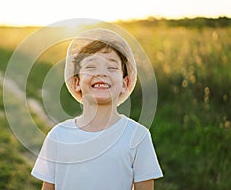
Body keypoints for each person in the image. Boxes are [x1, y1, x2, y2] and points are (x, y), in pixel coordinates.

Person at [31, 28, 163, 190]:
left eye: (112, 67)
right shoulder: (58, 136)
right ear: (77, 82)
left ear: (125, 83)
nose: (101, 73)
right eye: (91, 67)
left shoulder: (138, 137)